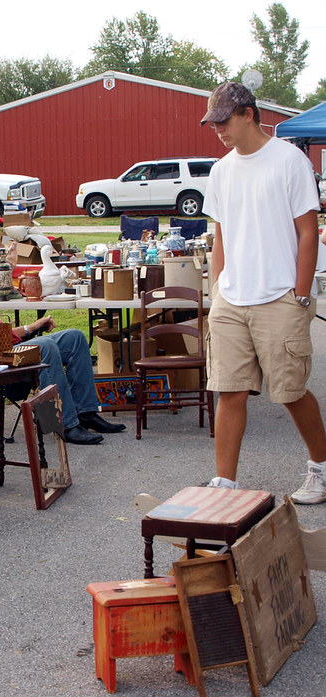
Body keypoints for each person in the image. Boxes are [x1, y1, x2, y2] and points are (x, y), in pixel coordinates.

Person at [200, 81, 326, 503]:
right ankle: (225, 484)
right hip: (231, 300)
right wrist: (217, 292)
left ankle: (321, 469)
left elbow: (308, 233)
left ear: (248, 113)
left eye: (223, 120)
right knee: (229, 390)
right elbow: (220, 237)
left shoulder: (288, 160)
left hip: (280, 297)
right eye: (212, 122)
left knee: (290, 391)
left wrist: (301, 295)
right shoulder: (220, 171)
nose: (218, 129)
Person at [0, 251, 124, 445]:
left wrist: (33, 326)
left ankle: (86, 412)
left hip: (10, 351)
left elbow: (3, 332)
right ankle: (65, 424)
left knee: (75, 337)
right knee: (45, 345)